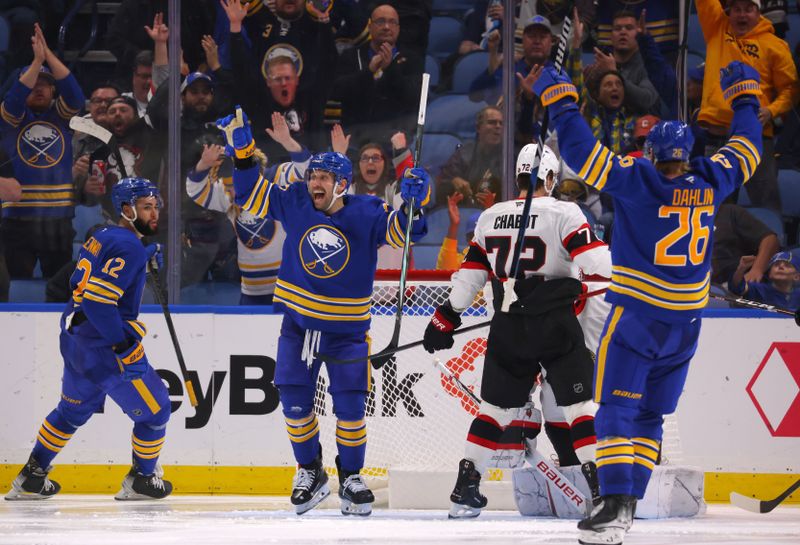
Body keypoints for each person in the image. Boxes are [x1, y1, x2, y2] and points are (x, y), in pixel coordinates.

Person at [528, 58, 763, 544]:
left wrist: (562, 103)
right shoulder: (711, 180)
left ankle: (614, 504)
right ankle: (629, 503)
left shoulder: (639, 180)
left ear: (650, 152)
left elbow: (581, 152)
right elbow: (747, 149)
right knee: (651, 415)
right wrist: (744, 99)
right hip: (687, 327)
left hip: (638, 321)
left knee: (615, 408)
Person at [217, 105, 429, 516]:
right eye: (313, 175)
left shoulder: (367, 212)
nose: (314, 182)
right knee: (294, 401)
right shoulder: (297, 201)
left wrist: (415, 202)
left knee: (350, 409)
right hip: (297, 327)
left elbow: (404, 233)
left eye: (323, 177)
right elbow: (250, 196)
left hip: (347, 331)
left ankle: (350, 478)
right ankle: (310, 471)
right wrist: (242, 154)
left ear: (342, 184)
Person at [422, 143, 610, 518]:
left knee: (494, 409)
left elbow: (471, 275)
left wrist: (445, 316)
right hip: (556, 323)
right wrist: (582, 298)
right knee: (578, 406)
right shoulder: (566, 212)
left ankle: (465, 488)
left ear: (518, 176)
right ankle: (599, 490)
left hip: (507, 325)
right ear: (552, 178)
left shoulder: (491, 216)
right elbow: (601, 270)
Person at [5, 177, 172, 501]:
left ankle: (32, 477)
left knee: (71, 412)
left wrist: (144, 253)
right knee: (157, 412)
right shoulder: (128, 246)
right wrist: (123, 346)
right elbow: (98, 300)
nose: (155, 214)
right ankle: (143, 479)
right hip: (103, 347)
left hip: (76, 339)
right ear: (127, 209)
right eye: (146, 207)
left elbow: (77, 280)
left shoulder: (104, 235)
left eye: (156, 207)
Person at [186, 112, 309, 304]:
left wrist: (287, 141)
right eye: (229, 186)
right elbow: (195, 190)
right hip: (251, 291)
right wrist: (204, 164)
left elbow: (306, 171)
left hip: (289, 288)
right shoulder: (229, 197)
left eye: (236, 184)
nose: (235, 192)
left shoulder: (276, 180)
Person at [696, 0, 799, 212]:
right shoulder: (717, 27)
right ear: (729, 11)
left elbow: (791, 90)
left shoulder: (775, 45)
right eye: (737, 9)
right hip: (717, 138)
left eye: (748, 9)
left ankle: (774, 245)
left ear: (758, 11)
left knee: (767, 205)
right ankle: (715, 246)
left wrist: (771, 110)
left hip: (757, 139)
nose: (742, 15)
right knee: (713, 209)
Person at [0, 23, 85, 280]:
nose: (39, 88)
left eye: (45, 84)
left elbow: (76, 96)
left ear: (52, 90)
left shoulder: (60, 117)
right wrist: (36, 63)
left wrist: (47, 56)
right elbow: (14, 99)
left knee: (59, 287)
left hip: (58, 220)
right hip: (17, 220)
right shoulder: (11, 118)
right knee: (15, 286)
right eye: (33, 83)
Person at [711, 203, 780, 286]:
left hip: (727, 287)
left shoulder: (729, 212)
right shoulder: (691, 216)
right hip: (696, 282)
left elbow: (770, 239)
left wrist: (757, 269)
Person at [729, 250, 800, 311]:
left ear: (797, 276)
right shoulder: (758, 289)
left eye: (787, 266)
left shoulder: (798, 294)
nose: (781, 267)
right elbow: (736, 287)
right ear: (770, 273)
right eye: (776, 265)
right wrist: (741, 269)